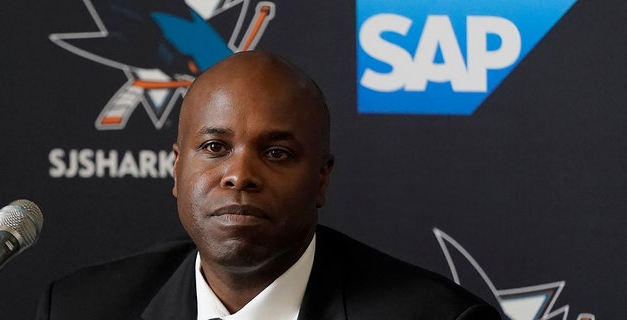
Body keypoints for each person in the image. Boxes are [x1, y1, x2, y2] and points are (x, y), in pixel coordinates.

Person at [36, 51, 501, 320]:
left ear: (321, 178)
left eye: (276, 153)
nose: (239, 175)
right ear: (177, 170)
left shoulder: (440, 319)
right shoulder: (79, 308)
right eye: (215, 148)